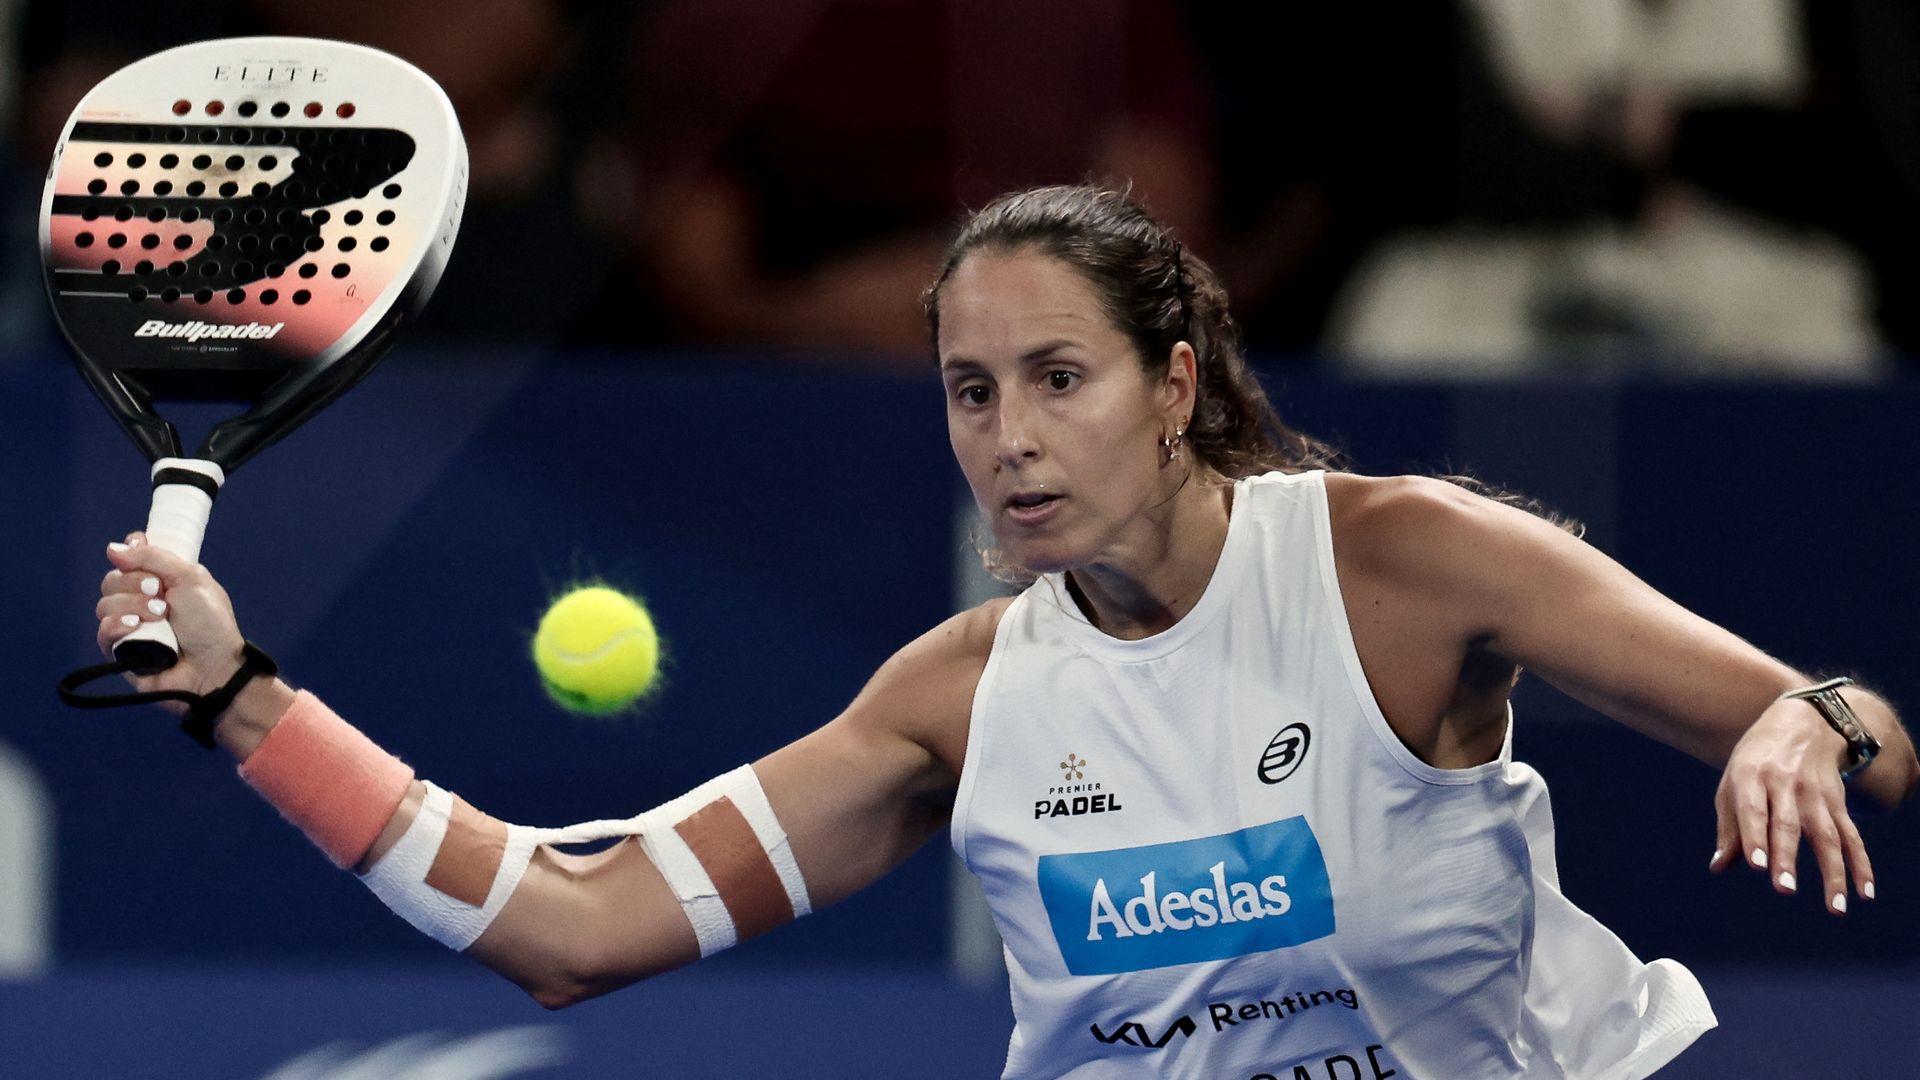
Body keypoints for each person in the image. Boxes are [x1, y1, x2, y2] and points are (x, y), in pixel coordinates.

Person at [90, 185, 1916, 1079]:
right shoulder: (962, 700)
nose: (1009, 437)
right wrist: (247, 702)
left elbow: (1861, 722)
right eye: (971, 390)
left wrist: (1796, 725)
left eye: (1060, 379)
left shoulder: (1409, 565)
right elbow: (573, 926)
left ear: (1178, 382)